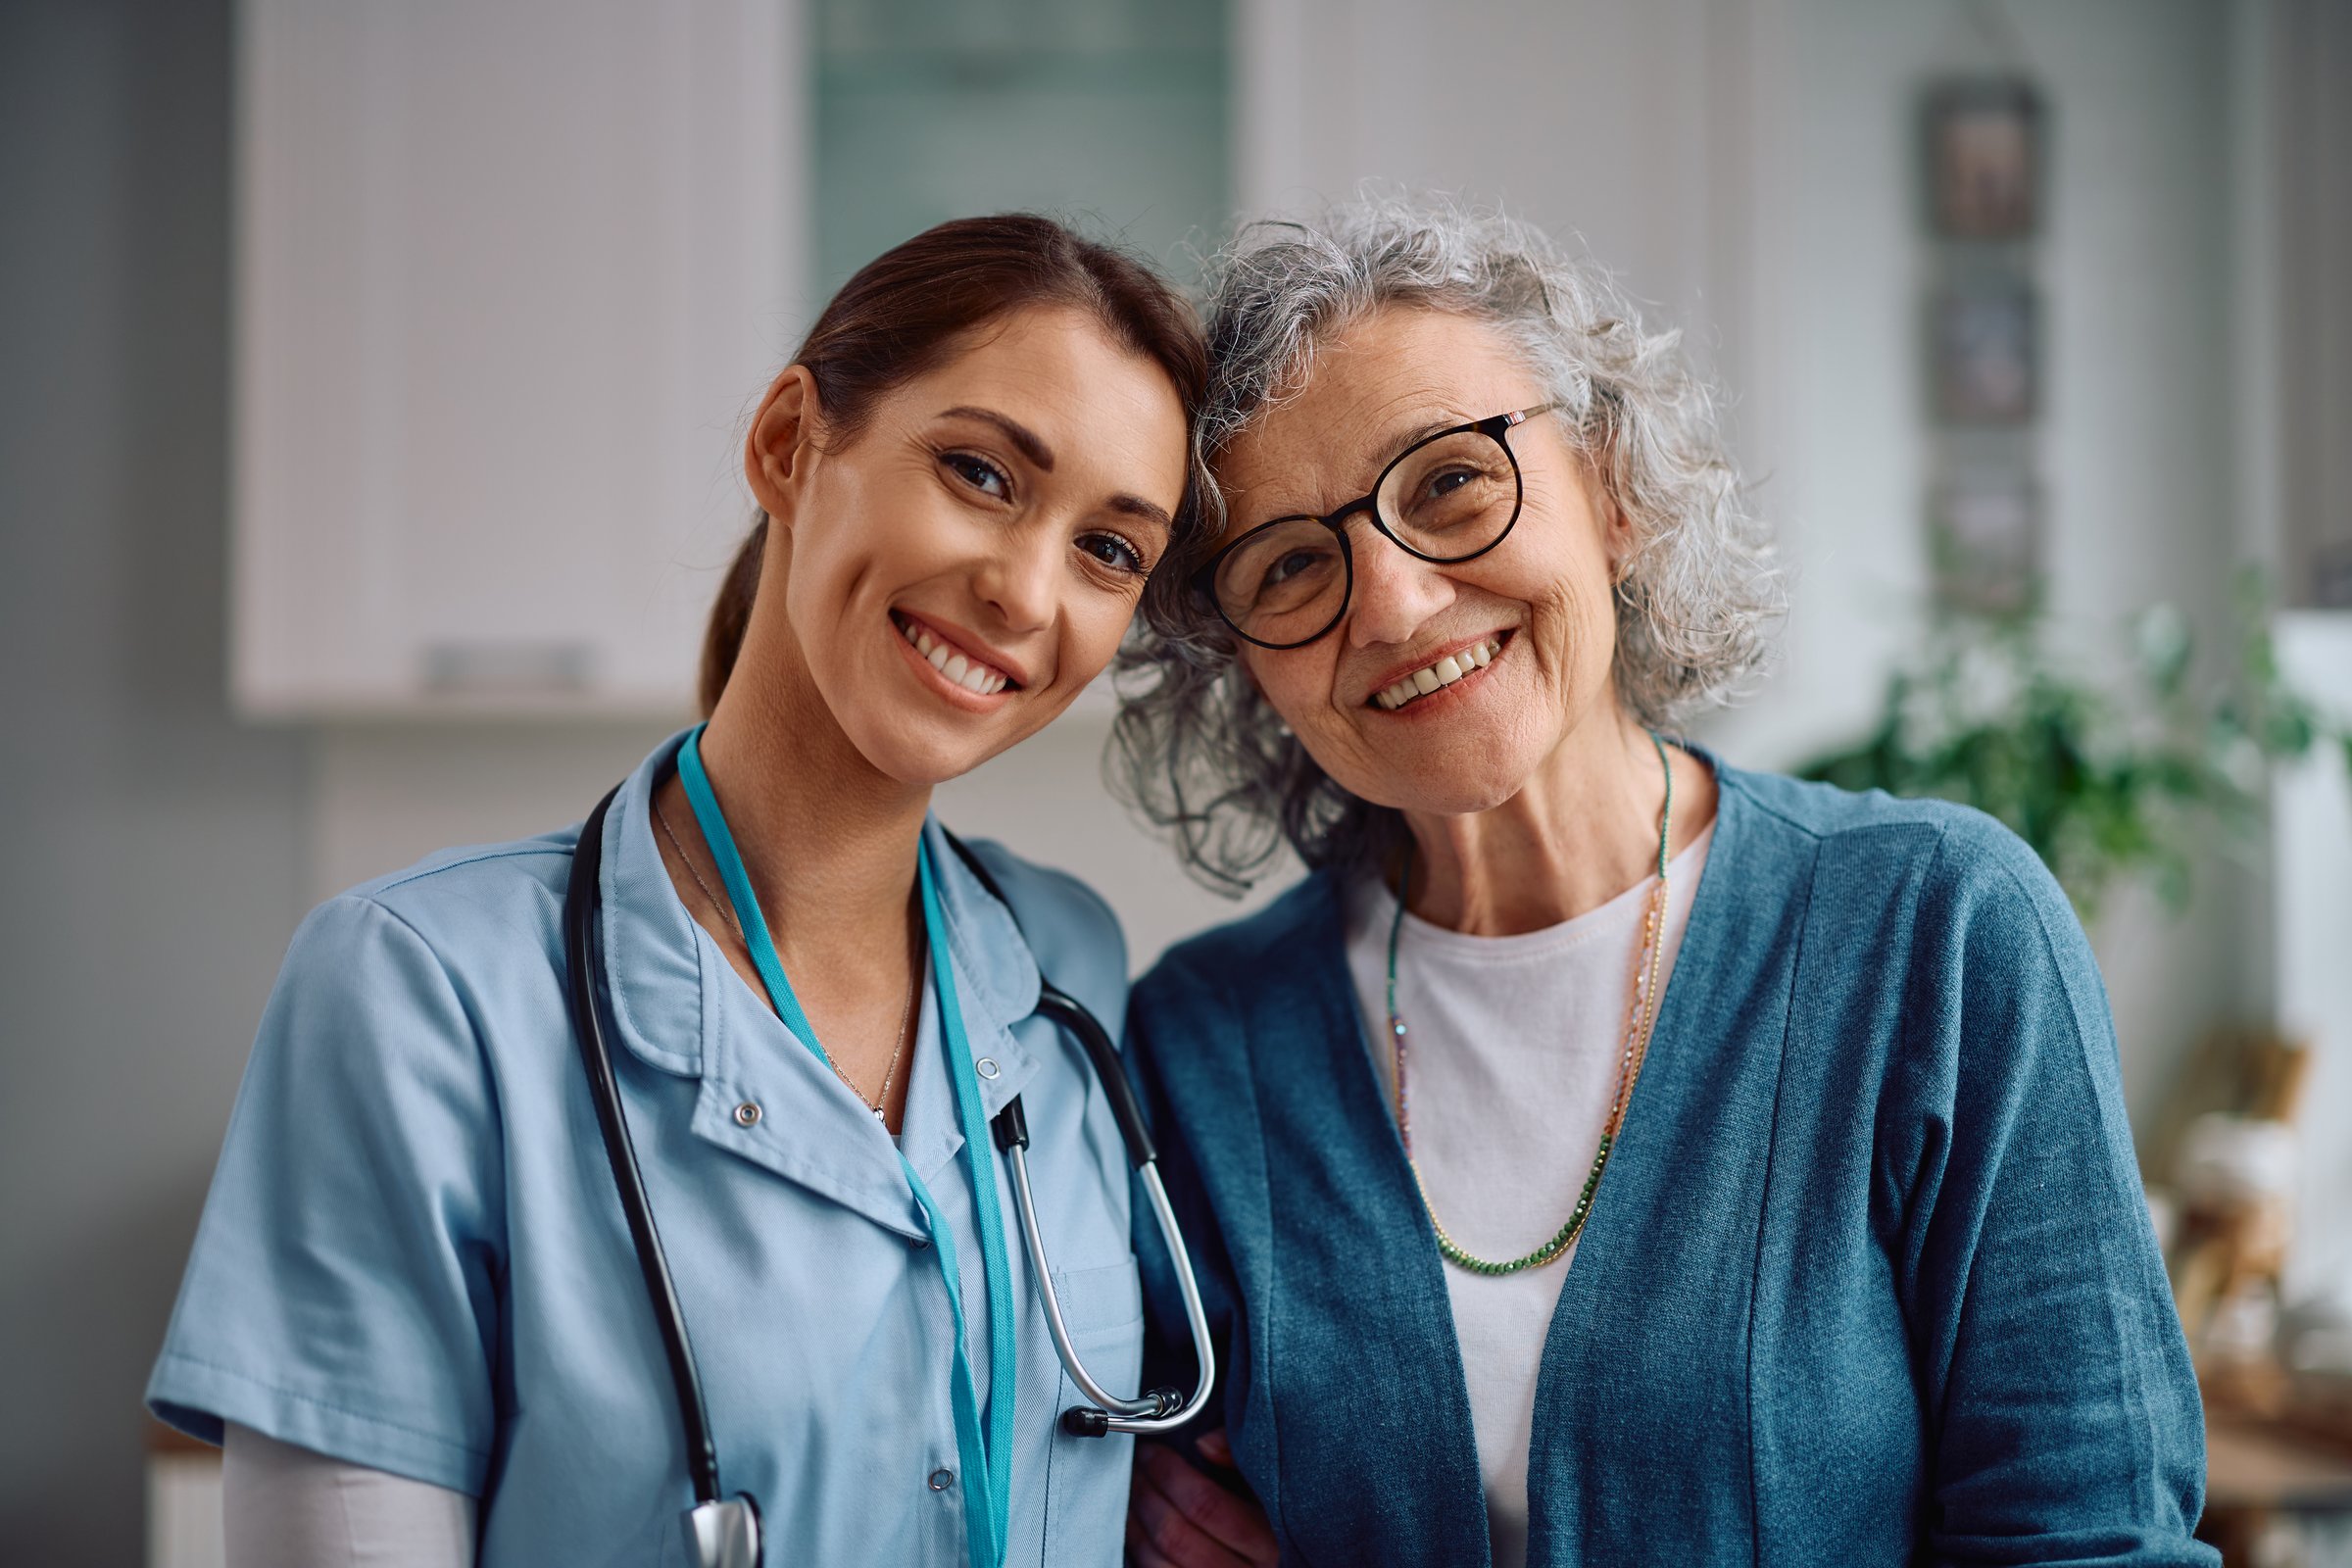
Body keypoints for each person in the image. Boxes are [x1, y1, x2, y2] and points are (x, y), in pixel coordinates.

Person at [1112, 198, 2216, 1567]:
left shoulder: (1939, 935)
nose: (1390, 604)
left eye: (1451, 483)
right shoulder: (1200, 1043)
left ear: (1614, 492)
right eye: (1289, 564)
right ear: (1249, 668)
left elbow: (2089, 1539)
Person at [146, 214, 1207, 1568]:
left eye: (1110, 552)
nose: (1024, 591)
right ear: (787, 444)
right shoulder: (419, 993)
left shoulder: (1064, 966)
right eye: (981, 473)